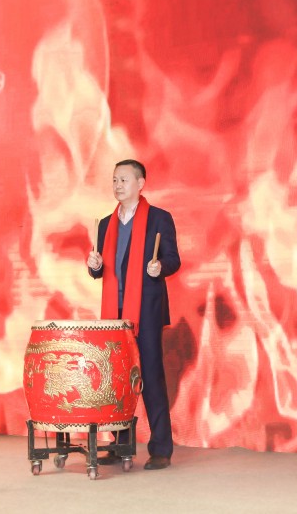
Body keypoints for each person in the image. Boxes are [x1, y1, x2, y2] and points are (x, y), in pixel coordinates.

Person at [86, 159, 181, 470]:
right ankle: (120, 445)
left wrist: (160, 266)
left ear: (141, 184)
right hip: (114, 313)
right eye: (114, 180)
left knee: (151, 377)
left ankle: (161, 449)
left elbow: (173, 259)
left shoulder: (159, 218)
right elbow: (100, 269)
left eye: (124, 179)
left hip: (146, 311)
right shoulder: (105, 224)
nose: (118, 185)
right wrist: (94, 266)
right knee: (117, 379)